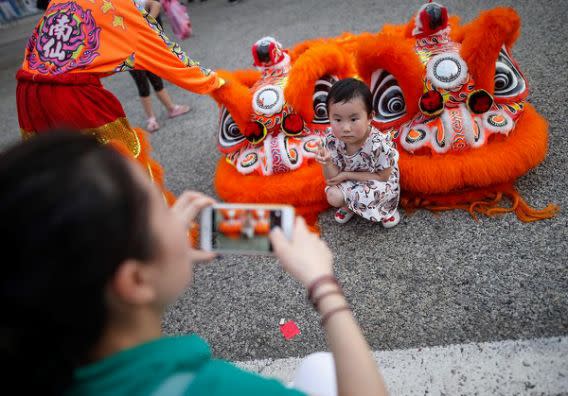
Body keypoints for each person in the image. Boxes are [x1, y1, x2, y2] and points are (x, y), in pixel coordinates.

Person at [0, 132, 387, 396]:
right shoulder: (210, 387)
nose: (178, 215)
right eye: (161, 209)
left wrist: (161, 255)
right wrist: (323, 284)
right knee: (322, 367)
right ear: (134, 281)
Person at [16, 0, 223, 203]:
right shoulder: (120, 5)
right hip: (72, 96)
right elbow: (170, 56)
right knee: (123, 170)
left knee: (59, 177)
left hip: (27, 91)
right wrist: (219, 83)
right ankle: (148, 232)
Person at [316, 78, 401, 227]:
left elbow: (383, 176)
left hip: (377, 180)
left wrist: (346, 175)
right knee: (333, 196)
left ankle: (386, 209)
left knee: (377, 193)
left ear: (369, 117)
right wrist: (327, 162)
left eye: (354, 119)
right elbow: (332, 179)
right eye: (337, 119)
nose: (346, 128)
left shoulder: (378, 143)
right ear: (328, 118)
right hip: (351, 180)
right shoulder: (332, 139)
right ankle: (350, 206)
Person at [130, 0, 190, 132]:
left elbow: (156, 5)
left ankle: (171, 109)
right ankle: (151, 118)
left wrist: (145, 23)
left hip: (144, 45)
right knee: (142, 83)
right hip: (130, 50)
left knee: (155, 78)